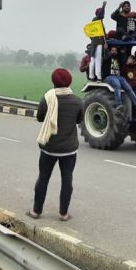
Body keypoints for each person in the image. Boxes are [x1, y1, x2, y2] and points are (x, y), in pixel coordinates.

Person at [27, 68, 83, 221]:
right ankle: (64, 214)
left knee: (43, 178)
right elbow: (79, 120)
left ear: (54, 82)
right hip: (69, 150)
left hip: (49, 148)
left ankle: (35, 211)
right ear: (69, 81)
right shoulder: (77, 101)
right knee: (67, 180)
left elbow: (40, 118)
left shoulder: (47, 99)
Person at [88, 2, 107, 81]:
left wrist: (104, 42)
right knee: (96, 59)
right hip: (97, 43)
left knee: (94, 59)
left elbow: (103, 34)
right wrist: (103, 6)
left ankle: (92, 76)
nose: (103, 15)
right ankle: (98, 76)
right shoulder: (96, 20)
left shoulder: (99, 22)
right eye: (102, 12)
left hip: (96, 42)